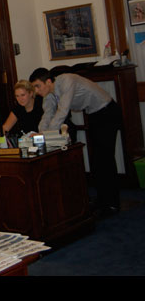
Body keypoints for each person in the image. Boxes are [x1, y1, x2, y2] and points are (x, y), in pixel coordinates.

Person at [29, 67, 122, 216]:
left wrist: (46, 135)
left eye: (37, 86)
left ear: (48, 82)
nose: (36, 91)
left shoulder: (67, 81)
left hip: (107, 112)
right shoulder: (49, 94)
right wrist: (40, 134)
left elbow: (62, 112)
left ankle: (112, 204)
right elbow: (47, 114)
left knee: (105, 159)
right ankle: (102, 200)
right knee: (96, 161)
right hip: (94, 115)